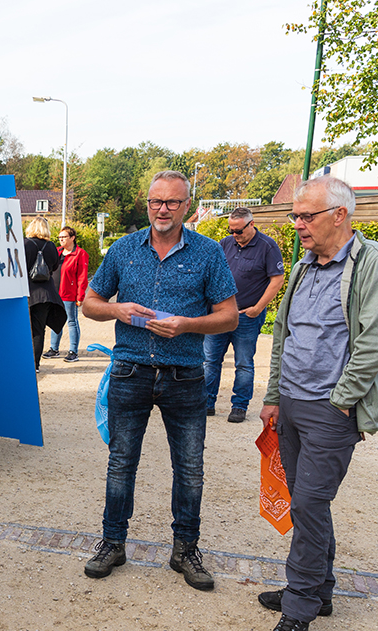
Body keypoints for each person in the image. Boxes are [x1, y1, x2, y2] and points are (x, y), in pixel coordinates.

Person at [259, 175, 378, 631]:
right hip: (294, 404)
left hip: (331, 411)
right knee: (306, 501)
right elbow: (284, 334)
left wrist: (342, 400)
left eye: (306, 216)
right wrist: (275, 394)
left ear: (339, 215)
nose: (297, 224)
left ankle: (298, 609)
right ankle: (318, 590)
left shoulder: (374, 263)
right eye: (294, 216)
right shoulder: (303, 264)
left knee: (309, 505)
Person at [81, 171, 238, 591]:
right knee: (120, 464)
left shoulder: (207, 253)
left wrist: (187, 325)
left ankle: (185, 549)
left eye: (171, 202)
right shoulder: (124, 249)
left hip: (184, 375)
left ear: (187, 205)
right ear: (146, 203)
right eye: (155, 202)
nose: (162, 210)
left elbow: (230, 315)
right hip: (130, 371)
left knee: (190, 469)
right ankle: (113, 542)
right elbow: (89, 304)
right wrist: (115, 310)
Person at [203, 208, 284, 422]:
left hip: (247, 316)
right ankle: (206, 403)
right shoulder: (224, 244)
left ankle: (239, 406)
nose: (234, 234)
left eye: (238, 231)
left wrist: (257, 308)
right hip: (219, 314)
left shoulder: (267, 246)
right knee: (210, 360)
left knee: (244, 363)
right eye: (231, 230)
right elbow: (212, 274)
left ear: (251, 224)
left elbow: (277, 280)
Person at [23, 216, 66, 371]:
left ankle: (23, 362)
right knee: (39, 330)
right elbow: (54, 267)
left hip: (27, 292)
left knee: (23, 329)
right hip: (46, 294)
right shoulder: (51, 246)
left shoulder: (25, 244)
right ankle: (35, 365)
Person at [42, 226, 89, 363]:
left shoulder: (80, 254)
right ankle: (54, 349)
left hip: (69, 294)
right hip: (54, 293)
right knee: (55, 320)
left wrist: (80, 297)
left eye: (64, 237)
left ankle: (73, 351)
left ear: (72, 238)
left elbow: (82, 277)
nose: (61, 239)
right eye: (59, 237)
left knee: (71, 321)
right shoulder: (56, 252)